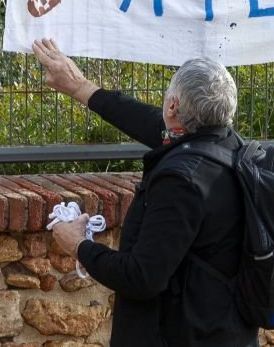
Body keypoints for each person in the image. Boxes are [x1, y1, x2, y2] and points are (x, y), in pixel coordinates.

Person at [32, 38, 257, 347]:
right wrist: (79, 86)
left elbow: (142, 278)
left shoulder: (181, 182)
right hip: (225, 331)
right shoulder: (230, 148)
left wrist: (79, 246)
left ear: (173, 106)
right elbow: (151, 123)